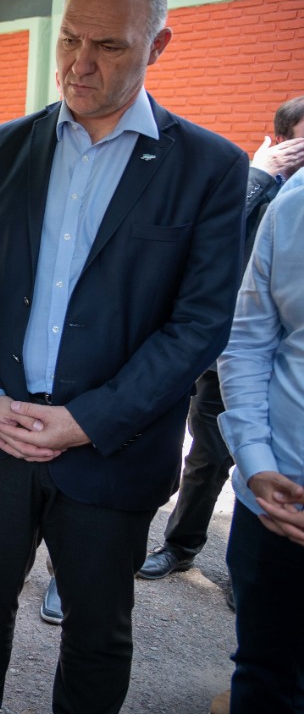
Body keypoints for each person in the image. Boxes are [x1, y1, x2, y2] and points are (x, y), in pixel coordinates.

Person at [0, 0, 247, 714]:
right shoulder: (5, 147)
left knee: (97, 633)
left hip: (114, 450)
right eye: (70, 38)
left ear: (158, 45)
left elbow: (199, 325)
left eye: (108, 46)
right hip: (0, 437)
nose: (79, 63)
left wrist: (87, 420)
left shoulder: (210, 167)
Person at [138, 96, 304, 581]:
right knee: (207, 457)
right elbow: (213, 236)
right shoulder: (264, 187)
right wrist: (260, 175)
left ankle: (245, 566)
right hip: (229, 351)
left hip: (283, 373)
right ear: (280, 140)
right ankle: (181, 545)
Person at [217, 171, 304, 714]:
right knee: (265, 675)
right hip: (274, 505)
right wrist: (254, 461)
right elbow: (249, 339)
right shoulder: (295, 202)